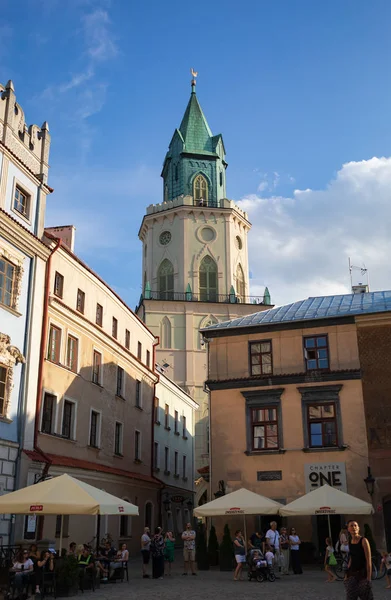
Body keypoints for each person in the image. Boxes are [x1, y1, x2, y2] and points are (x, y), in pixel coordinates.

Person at [345, 520, 373, 600]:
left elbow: (368, 561)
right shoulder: (350, 541)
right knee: (350, 597)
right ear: (348, 529)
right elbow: (351, 557)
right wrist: (346, 574)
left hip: (362, 574)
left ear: (358, 528)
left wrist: (369, 579)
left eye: (355, 525)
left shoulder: (364, 541)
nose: (353, 527)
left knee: (367, 597)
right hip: (352, 574)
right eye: (351, 526)